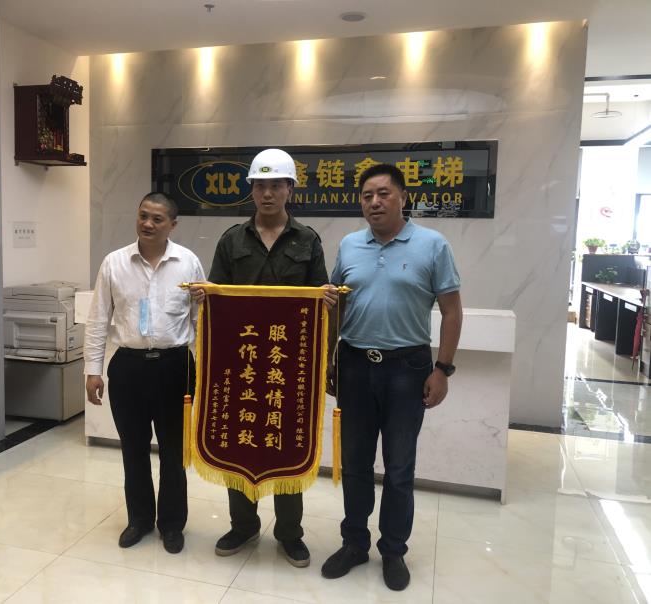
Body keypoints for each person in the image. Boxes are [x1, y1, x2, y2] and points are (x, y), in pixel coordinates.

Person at [191, 148, 337, 568]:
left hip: (290, 368)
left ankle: (290, 533)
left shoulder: (307, 240)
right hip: (240, 364)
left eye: (276, 185)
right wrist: (205, 296)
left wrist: (325, 299)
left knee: (289, 441)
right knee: (239, 439)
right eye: (260, 186)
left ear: (290, 189)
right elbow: (217, 295)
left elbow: (319, 301)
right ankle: (243, 525)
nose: (267, 193)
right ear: (251, 190)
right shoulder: (232, 239)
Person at [321, 163, 462, 591]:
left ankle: (394, 550)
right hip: (354, 364)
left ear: (403, 197)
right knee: (355, 463)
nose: (374, 202)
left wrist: (442, 369)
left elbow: (452, 310)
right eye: (367, 196)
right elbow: (337, 305)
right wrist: (329, 358)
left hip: (407, 368)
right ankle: (354, 543)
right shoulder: (349, 245)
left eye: (383, 193)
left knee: (399, 466)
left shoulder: (432, 245)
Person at [84, 192, 205, 555]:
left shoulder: (188, 262)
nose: (148, 224)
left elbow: (202, 319)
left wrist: (209, 368)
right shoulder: (114, 263)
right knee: (133, 450)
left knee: (173, 452)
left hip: (175, 366)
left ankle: (172, 524)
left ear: (173, 225)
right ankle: (139, 520)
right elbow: (98, 319)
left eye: (157, 219)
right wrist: (93, 370)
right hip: (128, 367)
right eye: (143, 216)